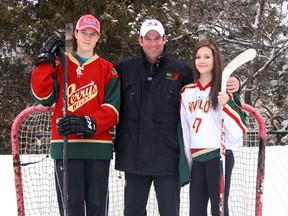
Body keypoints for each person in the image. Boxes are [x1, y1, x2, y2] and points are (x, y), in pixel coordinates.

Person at [114, 19, 240, 216]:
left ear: (165, 39)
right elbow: (99, 78)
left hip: (167, 158)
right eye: (148, 38)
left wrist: (232, 82)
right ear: (140, 40)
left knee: (171, 211)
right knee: (132, 211)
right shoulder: (124, 68)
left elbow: (206, 82)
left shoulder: (181, 71)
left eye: (157, 38)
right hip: (134, 157)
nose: (153, 43)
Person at [30, 14, 120, 216]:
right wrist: (45, 61)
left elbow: (113, 110)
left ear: (98, 37)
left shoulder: (108, 69)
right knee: (71, 209)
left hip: (98, 148)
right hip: (66, 147)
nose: (88, 37)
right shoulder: (61, 64)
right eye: (84, 32)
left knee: (98, 209)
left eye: (92, 34)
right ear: (76, 34)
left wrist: (89, 122)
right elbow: (42, 96)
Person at [179, 38, 247, 216]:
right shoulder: (187, 92)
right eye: (198, 57)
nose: (202, 61)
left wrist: (227, 105)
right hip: (197, 158)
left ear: (215, 59)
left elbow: (240, 128)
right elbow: (185, 128)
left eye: (207, 57)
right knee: (196, 210)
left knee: (219, 209)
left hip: (219, 156)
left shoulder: (224, 90)